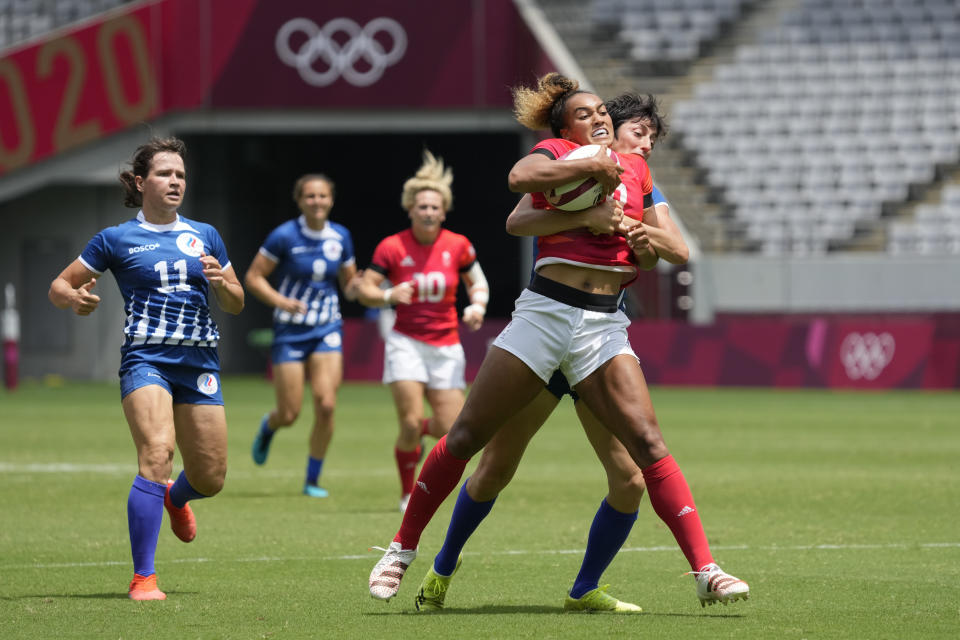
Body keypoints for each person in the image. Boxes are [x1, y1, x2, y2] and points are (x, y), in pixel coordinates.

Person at [368, 73, 748, 610]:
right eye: (593, 116)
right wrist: (588, 197)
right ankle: (403, 553)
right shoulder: (560, 154)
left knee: (646, 452)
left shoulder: (638, 172)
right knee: (472, 441)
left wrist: (639, 240)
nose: (607, 125)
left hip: (602, 325)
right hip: (545, 314)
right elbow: (519, 191)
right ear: (569, 126)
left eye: (605, 116)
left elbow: (671, 251)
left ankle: (705, 572)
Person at [48, 137, 244, 601]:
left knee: (212, 477)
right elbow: (59, 283)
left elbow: (236, 302)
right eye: (164, 174)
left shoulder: (206, 235)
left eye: (180, 175)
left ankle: (176, 498)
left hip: (199, 362)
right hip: (146, 357)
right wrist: (73, 298)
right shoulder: (115, 239)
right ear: (141, 182)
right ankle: (144, 578)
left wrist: (221, 284)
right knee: (158, 452)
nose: (175, 181)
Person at [350, 150, 490, 513]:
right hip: (406, 343)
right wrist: (387, 295)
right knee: (410, 421)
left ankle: (419, 448)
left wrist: (476, 307)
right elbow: (365, 290)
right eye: (422, 206)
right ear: (410, 209)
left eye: (434, 207)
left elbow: (478, 283)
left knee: (452, 430)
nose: (428, 212)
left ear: (444, 211)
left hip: (446, 344)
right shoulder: (392, 246)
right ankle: (406, 492)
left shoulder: (457, 245)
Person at [246, 174, 357, 498]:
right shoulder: (283, 236)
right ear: (300, 201)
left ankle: (312, 480)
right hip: (290, 332)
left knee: (326, 404)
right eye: (310, 196)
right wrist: (281, 302)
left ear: (331, 200)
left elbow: (349, 286)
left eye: (322, 196)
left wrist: (365, 287)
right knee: (290, 413)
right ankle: (270, 425)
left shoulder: (342, 236)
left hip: (327, 328)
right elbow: (254, 278)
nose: (317, 202)